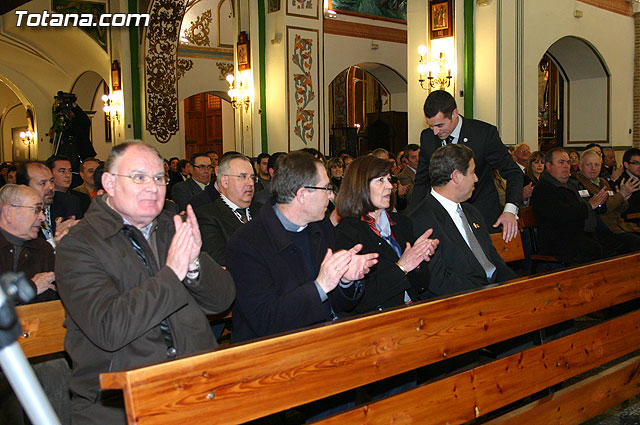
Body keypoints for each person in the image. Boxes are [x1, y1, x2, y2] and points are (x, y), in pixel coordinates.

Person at [55, 141, 235, 424]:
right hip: (121, 402)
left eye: (159, 178)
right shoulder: (79, 246)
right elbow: (109, 328)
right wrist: (173, 272)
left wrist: (194, 265)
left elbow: (223, 299)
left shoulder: (171, 226)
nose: (153, 187)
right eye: (139, 177)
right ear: (109, 183)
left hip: (197, 386)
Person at [227, 151, 378, 343]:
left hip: (325, 340)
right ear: (302, 194)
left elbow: (339, 305)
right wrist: (321, 286)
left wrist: (345, 281)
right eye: (326, 188)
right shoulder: (246, 243)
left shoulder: (321, 226)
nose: (331, 196)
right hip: (274, 353)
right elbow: (266, 320)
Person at [413, 90, 522, 242]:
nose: (435, 132)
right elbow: (421, 181)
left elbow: (514, 173)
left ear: (454, 113)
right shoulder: (427, 138)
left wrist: (510, 211)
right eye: (431, 126)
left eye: (440, 125)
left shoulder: (484, 134)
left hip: (482, 216)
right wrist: (413, 219)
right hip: (444, 224)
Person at [335, 155, 437, 314]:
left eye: (389, 179)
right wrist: (402, 267)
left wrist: (419, 256)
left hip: (415, 313)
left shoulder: (402, 223)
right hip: (380, 323)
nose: (390, 186)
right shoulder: (347, 233)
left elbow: (422, 285)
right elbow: (360, 301)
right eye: (380, 180)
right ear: (360, 186)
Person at [410, 144, 516, 296]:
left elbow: (493, 261)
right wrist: (486, 293)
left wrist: (516, 286)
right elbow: (439, 281)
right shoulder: (422, 220)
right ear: (456, 176)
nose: (476, 178)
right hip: (465, 301)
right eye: (472, 172)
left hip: (495, 293)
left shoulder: (471, 212)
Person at [531, 148, 635, 265]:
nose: (566, 166)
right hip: (559, 238)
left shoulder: (572, 183)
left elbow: (593, 205)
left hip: (584, 231)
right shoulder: (544, 189)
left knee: (620, 244)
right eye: (561, 162)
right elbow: (561, 214)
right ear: (549, 166)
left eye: (568, 162)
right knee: (596, 250)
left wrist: (601, 204)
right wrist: (589, 205)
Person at [196, 153, 257, 266]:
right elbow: (220, 262)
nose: (251, 183)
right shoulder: (207, 216)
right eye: (243, 177)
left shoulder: (263, 210)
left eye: (252, 177)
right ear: (224, 181)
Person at [575, 148, 640, 235]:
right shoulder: (578, 183)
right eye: (588, 164)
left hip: (619, 226)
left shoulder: (603, 182)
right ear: (580, 166)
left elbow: (618, 210)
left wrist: (624, 200)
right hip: (603, 230)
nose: (593, 168)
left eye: (597, 165)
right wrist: (621, 195)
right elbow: (604, 207)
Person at [16, 161, 77, 248]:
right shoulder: (17, 213)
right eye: (43, 183)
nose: (51, 187)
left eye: (51, 181)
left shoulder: (69, 202)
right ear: (24, 187)